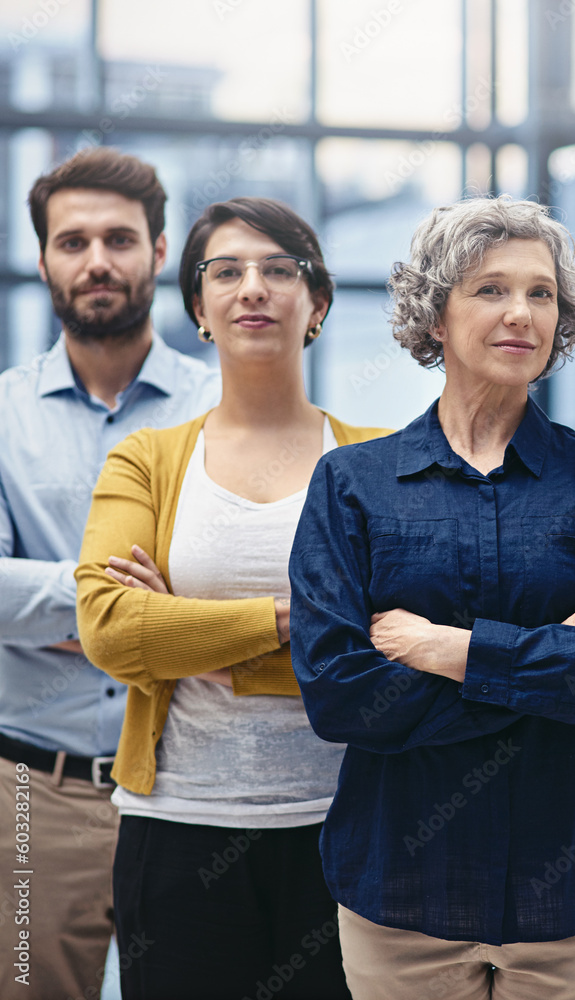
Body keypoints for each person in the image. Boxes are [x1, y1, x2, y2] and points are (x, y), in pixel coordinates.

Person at [288, 196, 575, 1000]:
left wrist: (453, 651)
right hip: (401, 896)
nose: (522, 314)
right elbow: (340, 698)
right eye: (490, 289)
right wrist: (558, 655)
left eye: (542, 294)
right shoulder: (352, 486)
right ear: (435, 315)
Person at [75, 197, 386, 999]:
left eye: (280, 269)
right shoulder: (144, 460)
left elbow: (393, 653)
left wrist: (195, 648)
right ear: (198, 307)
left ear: (316, 304)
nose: (254, 287)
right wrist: (293, 620)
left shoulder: (379, 466)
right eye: (228, 271)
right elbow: (111, 630)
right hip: (177, 833)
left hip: (346, 835)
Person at [0, 147, 220, 999]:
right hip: (33, 801)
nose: (97, 261)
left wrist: (56, 611)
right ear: (45, 258)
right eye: (73, 241)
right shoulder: (4, 414)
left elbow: (235, 591)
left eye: (120, 240)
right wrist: (128, 614)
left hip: (189, 791)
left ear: (159, 254)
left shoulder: (220, 411)